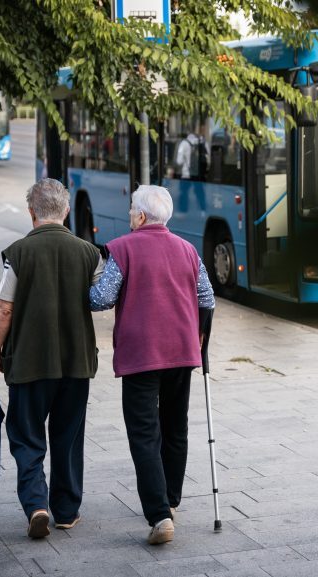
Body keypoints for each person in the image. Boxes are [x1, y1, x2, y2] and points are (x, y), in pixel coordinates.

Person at [89, 185, 216, 545]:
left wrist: (86, 284)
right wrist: (200, 335)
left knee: (144, 433)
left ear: (141, 216)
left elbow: (101, 299)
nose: (131, 215)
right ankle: (171, 500)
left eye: (132, 209)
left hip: (142, 354)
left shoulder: (124, 248)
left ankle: (159, 515)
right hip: (182, 350)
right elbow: (206, 297)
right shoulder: (188, 249)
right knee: (176, 426)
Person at [0, 178, 102, 540]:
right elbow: (99, 299)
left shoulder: (19, 252)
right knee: (68, 436)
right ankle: (66, 511)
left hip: (29, 363)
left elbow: (6, 308)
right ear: (66, 211)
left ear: (31, 212)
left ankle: (37, 504)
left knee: (26, 434)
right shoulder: (89, 253)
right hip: (76, 362)